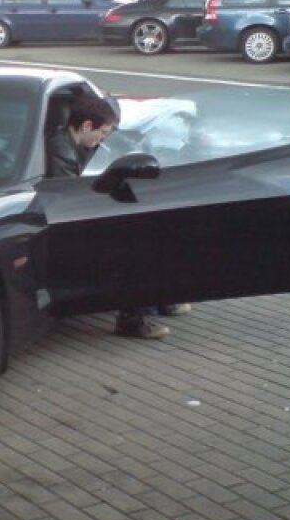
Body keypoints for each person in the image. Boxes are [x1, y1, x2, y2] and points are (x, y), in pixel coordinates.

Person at [44, 88, 187, 340]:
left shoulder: (78, 143)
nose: (103, 140)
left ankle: (157, 300)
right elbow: (71, 199)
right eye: (102, 133)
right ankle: (132, 319)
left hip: (73, 215)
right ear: (87, 126)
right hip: (61, 226)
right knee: (130, 246)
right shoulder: (61, 153)